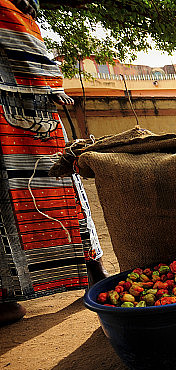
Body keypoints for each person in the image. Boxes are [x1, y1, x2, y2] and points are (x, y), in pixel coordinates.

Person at [0, 0, 106, 326]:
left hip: (24, 115)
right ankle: (93, 272)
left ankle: (93, 270)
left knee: (60, 184)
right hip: (21, 111)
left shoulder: (15, 10)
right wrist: (48, 83)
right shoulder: (9, 9)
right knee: (60, 187)